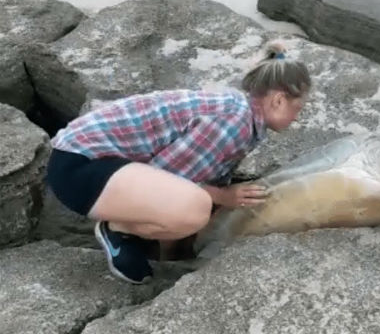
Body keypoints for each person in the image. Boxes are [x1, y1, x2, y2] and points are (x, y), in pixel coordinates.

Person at [46, 42, 311, 284]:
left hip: (94, 163)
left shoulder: (240, 111)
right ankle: (117, 229)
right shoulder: (234, 122)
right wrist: (226, 196)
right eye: (297, 108)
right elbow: (170, 177)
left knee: (201, 205)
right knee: (197, 207)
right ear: (277, 100)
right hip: (78, 168)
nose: (297, 117)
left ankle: (140, 237)